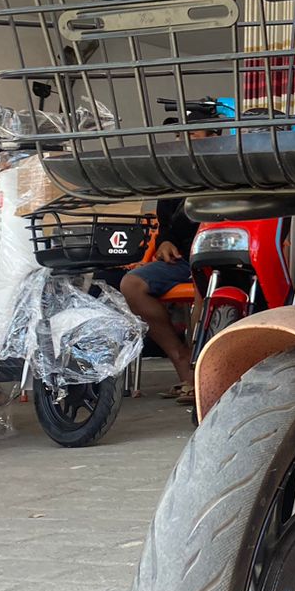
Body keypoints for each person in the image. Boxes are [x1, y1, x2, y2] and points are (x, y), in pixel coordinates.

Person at [119, 115, 219, 401]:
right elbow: (166, 228)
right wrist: (163, 242)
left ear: (214, 137)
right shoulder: (172, 177)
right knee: (131, 285)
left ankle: (204, 375)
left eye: (192, 133)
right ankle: (181, 361)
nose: (182, 140)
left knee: (204, 289)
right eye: (178, 136)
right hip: (181, 260)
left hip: (215, 259)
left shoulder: (224, 174)